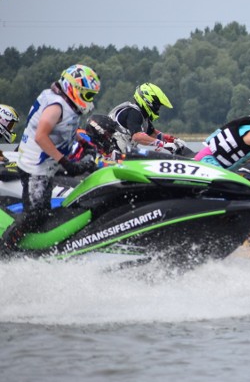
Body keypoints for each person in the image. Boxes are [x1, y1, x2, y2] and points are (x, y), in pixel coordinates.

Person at [1, 64, 101, 251]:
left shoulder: (66, 105)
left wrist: (83, 141)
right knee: (35, 213)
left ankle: (36, 248)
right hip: (34, 167)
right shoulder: (56, 106)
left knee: (45, 211)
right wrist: (65, 162)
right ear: (73, 89)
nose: (90, 100)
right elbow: (41, 136)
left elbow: (63, 130)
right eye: (88, 95)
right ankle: (6, 246)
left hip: (45, 167)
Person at [109, 83, 185, 154]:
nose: (158, 109)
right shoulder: (133, 112)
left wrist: (174, 140)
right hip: (110, 153)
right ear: (147, 101)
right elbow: (137, 136)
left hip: (121, 153)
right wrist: (163, 144)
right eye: (157, 105)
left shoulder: (142, 117)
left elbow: (153, 134)